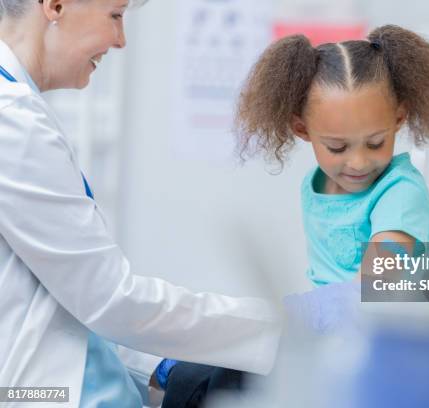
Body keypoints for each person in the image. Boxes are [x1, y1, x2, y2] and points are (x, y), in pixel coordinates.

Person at [0, 1, 281, 407]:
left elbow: (63, 299)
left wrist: (161, 366)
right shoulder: (14, 123)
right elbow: (109, 298)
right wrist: (280, 328)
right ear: (55, 5)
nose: (121, 40)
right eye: (116, 15)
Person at [236, 24, 429, 290]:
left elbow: (378, 281)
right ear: (302, 129)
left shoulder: (401, 193)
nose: (359, 162)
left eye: (375, 143)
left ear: (398, 119)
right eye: (337, 147)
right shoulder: (314, 185)